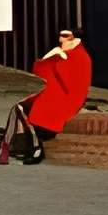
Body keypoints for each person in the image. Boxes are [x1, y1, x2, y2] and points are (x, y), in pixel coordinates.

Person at [14, 27, 92, 164]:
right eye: (61, 35)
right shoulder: (64, 54)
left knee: (29, 109)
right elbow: (40, 73)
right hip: (56, 95)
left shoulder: (80, 56)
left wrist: (60, 58)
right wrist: (51, 55)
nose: (60, 39)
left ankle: (35, 148)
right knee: (19, 107)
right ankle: (25, 145)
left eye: (65, 36)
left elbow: (72, 85)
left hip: (68, 99)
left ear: (75, 39)